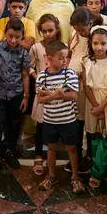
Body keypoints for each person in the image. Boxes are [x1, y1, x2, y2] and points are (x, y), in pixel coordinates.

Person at [36, 40, 84, 194]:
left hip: (68, 120)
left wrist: (53, 94)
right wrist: (56, 94)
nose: (64, 61)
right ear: (49, 58)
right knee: (51, 148)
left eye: (66, 58)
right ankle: (51, 175)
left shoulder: (69, 73)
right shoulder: (42, 77)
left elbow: (72, 96)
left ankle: (75, 177)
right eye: (61, 58)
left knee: (72, 148)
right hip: (50, 120)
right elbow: (40, 99)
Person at [0, 18, 30, 172]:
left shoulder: (24, 53)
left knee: (13, 127)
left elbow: (25, 75)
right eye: (10, 36)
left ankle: (9, 152)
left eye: (17, 37)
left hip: (16, 95)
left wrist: (25, 96)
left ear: (22, 37)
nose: (13, 40)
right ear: (5, 34)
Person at [81, 25, 107, 191]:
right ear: (91, 43)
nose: (99, 47)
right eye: (95, 43)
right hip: (92, 101)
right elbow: (86, 86)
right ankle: (96, 172)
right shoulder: (86, 61)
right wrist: (96, 107)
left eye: (103, 43)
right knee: (94, 136)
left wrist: (102, 108)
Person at [29, 14, 62, 176]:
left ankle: (51, 157)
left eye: (51, 30)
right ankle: (38, 156)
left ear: (57, 30)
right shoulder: (36, 47)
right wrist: (39, 78)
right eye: (44, 31)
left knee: (54, 126)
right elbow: (29, 67)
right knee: (41, 126)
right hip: (42, 91)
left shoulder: (62, 47)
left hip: (57, 93)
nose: (48, 34)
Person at [67, 8, 93, 174]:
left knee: (88, 121)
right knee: (75, 121)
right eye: (76, 28)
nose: (79, 31)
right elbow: (70, 55)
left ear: (90, 24)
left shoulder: (95, 36)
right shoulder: (74, 35)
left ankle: (88, 156)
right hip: (73, 83)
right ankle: (75, 157)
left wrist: (80, 74)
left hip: (87, 83)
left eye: (82, 29)